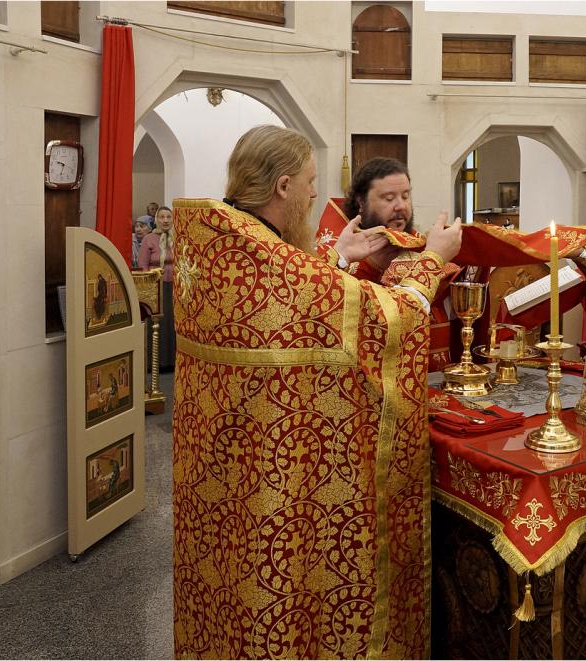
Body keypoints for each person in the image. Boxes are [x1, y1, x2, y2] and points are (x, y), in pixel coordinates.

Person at [172, 125, 461, 659]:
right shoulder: (272, 259)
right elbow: (388, 320)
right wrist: (432, 259)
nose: (313, 194)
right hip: (269, 480)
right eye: (308, 182)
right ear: (282, 186)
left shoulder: (218, 244)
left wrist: (338, 260)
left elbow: (287, 314)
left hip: (221, 476)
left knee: (230, 599)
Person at [317, 157, 462, 371]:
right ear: (361, 202)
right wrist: (373, 267)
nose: (401, 206)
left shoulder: (420, 244)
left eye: (406, 196)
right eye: (389, 198)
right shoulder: (333, 253)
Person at [137, 206, 176, 371]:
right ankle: (155, 363)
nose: (165, 220)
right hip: (156, 288)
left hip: (175, 288)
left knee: (172, 324)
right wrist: (148, 285)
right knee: (157, 323)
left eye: (168, 217)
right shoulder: (149, 238)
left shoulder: (178, 237)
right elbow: (142, 265)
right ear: (156, 219)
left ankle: (172, 362)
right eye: (162, 217)